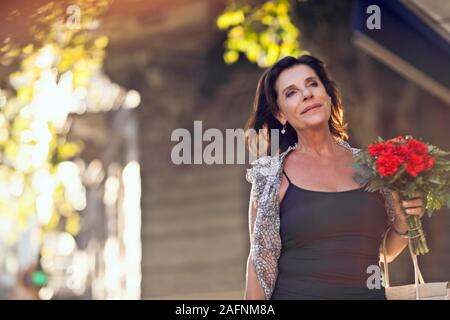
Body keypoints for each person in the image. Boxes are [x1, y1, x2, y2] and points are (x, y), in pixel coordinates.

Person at [244, 55, 425, 300]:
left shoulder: (374, 166)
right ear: (280, 114)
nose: (307, 94)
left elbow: (384, 252)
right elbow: (260, 264)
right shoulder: (271, 176)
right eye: (291, 93)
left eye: (312, 84)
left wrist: (403, 223)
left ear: (327, 95)